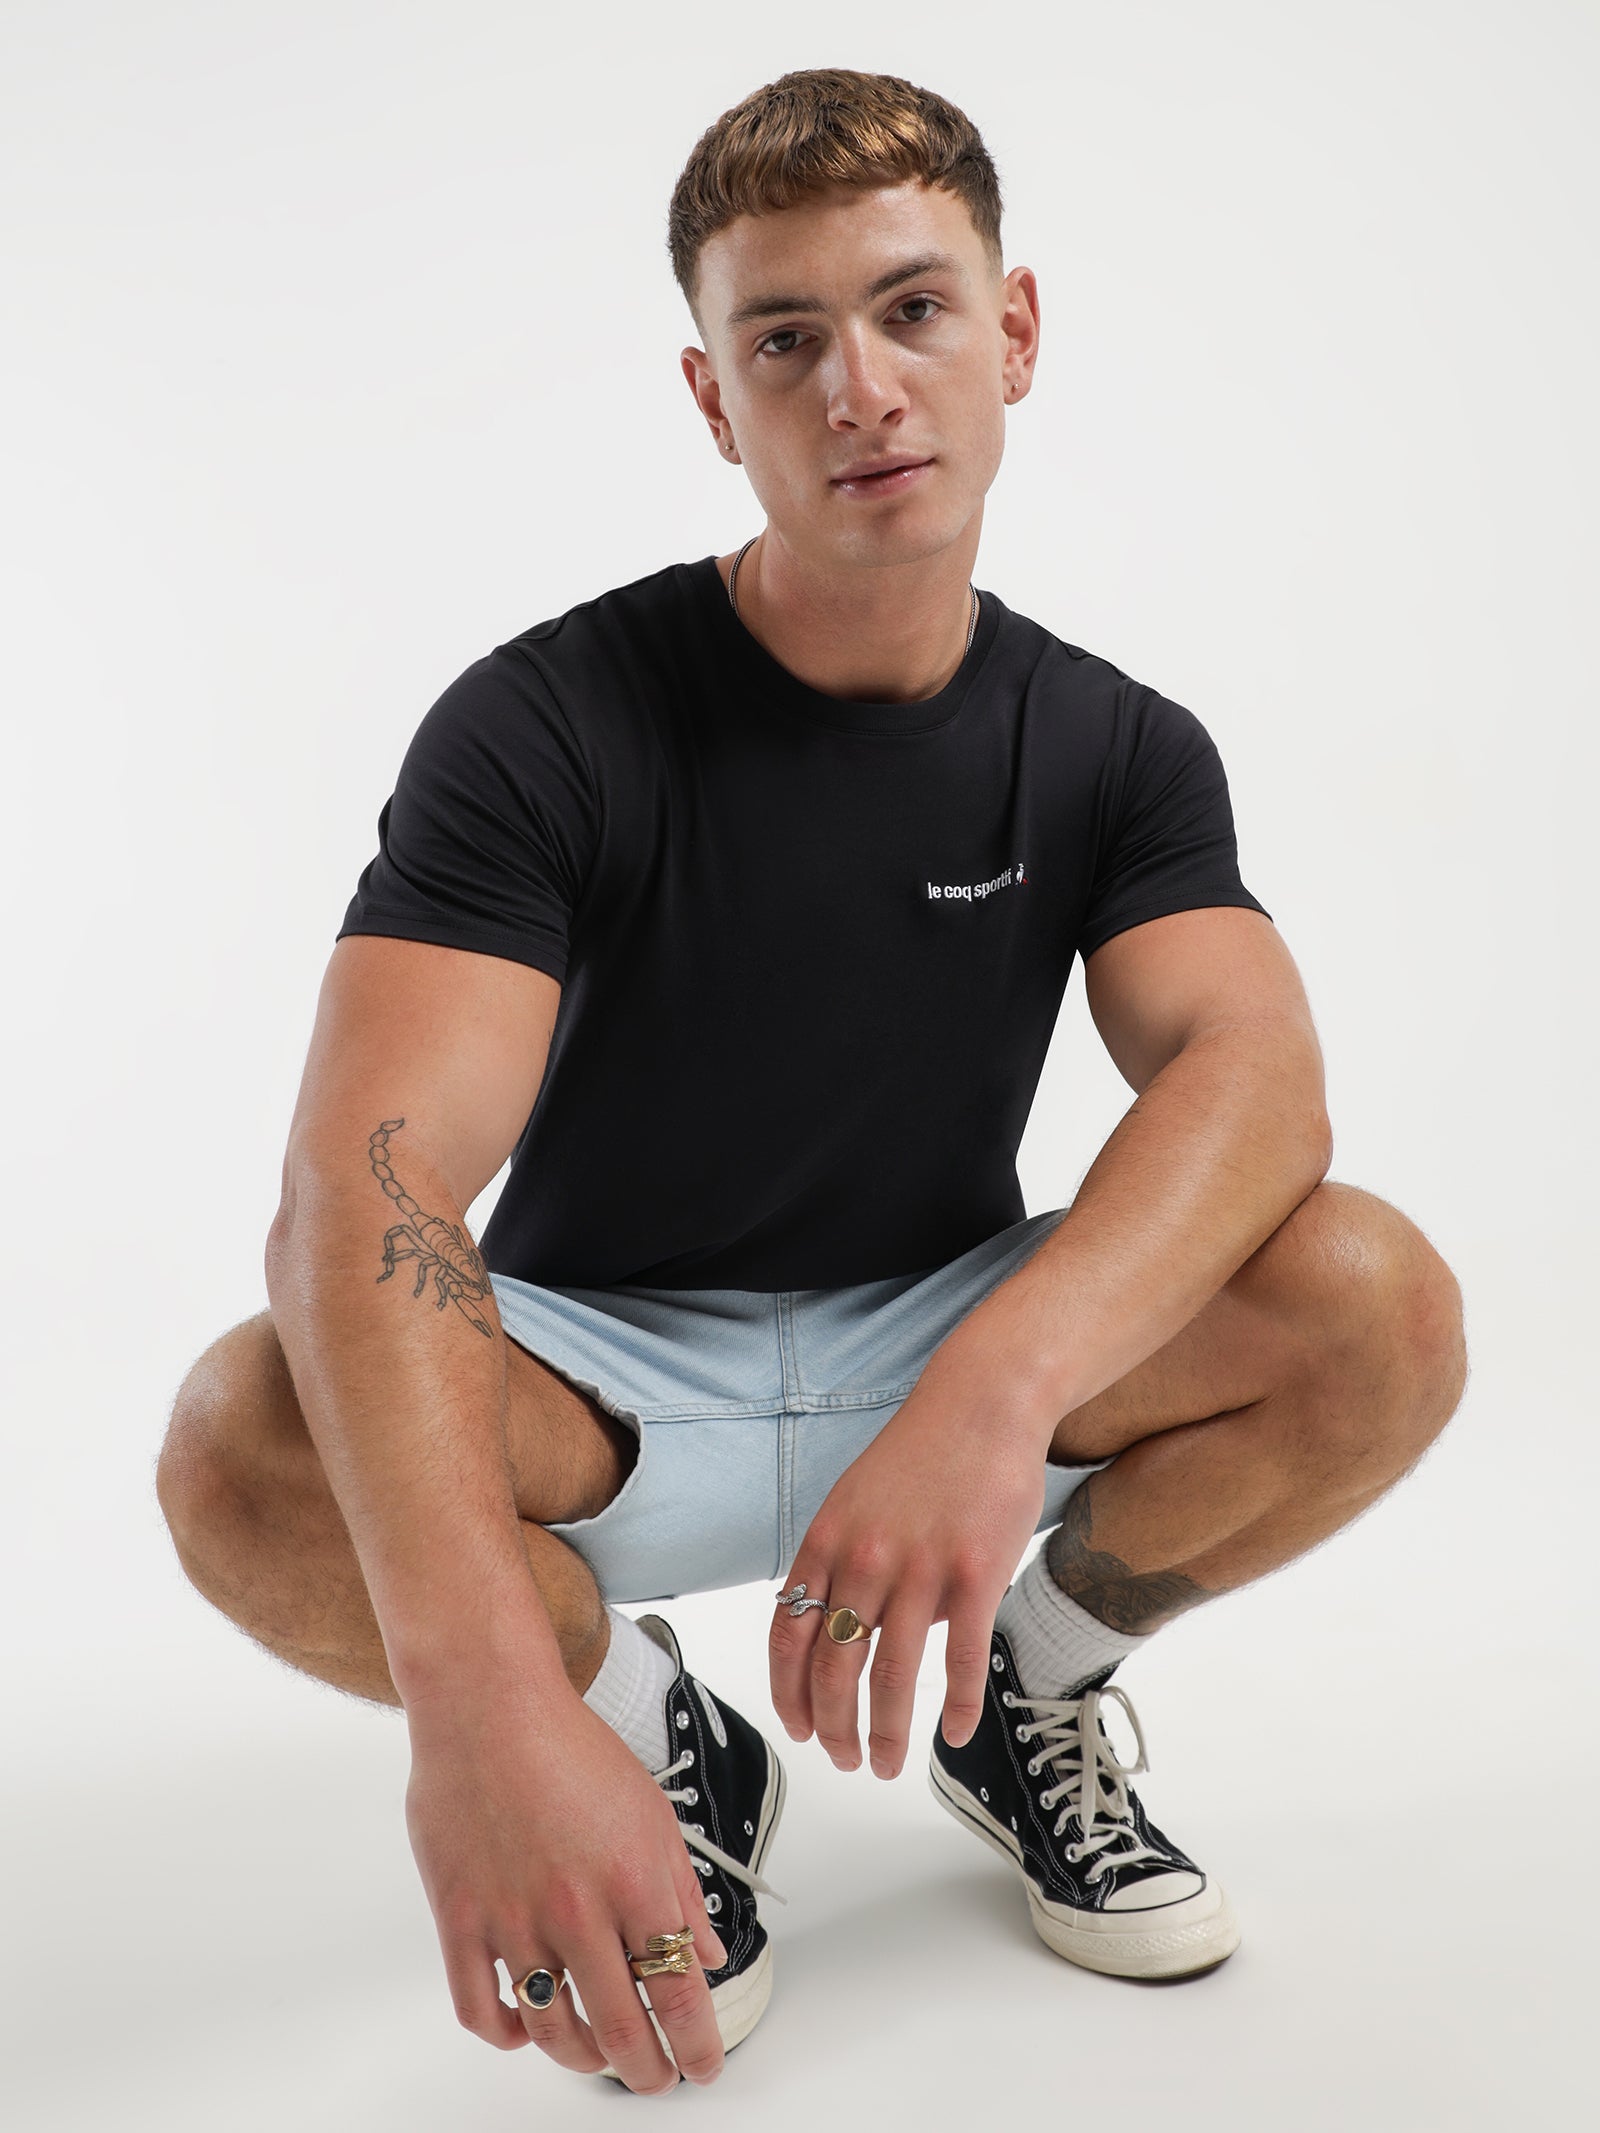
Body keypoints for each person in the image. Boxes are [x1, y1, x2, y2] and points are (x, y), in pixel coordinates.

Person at [155, 66, 1468, 2100]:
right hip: (599, 1387)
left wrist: (994, 1389)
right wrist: (489, 1714)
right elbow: (368, 1184)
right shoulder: (544, 721)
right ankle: (649, 1728)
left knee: (1373, 1299)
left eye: (912, 309)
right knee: (242, 1435)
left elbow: (1256, 1076)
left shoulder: (1111, 745)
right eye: (785, 340)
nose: (859, 387)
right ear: (715, 399)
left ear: (1012, 332)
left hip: (941, 1354)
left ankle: (1013, 1700)